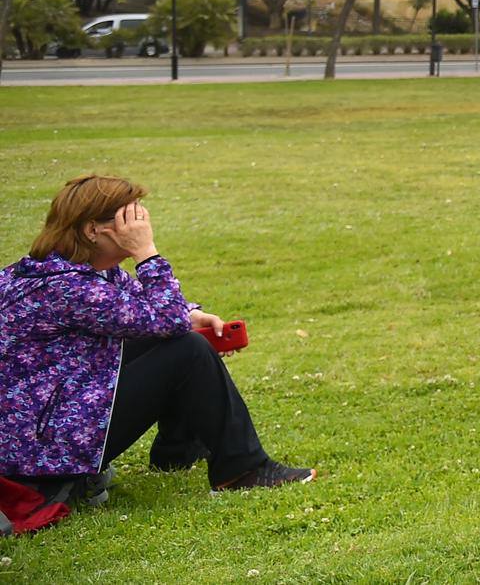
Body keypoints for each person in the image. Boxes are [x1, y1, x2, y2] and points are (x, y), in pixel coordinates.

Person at [0, 175, 315, 498]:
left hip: (43, 428)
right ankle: (242, 470)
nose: (139, 227)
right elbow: (166, 320)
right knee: (186, 349)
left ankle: (177, 453)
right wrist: (146, 252)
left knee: (174, 339)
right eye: (128, 219)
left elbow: (145, 308)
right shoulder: (64, 286)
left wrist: (192, 315)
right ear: (92, 229)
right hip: (43, 451)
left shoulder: (75, 272)